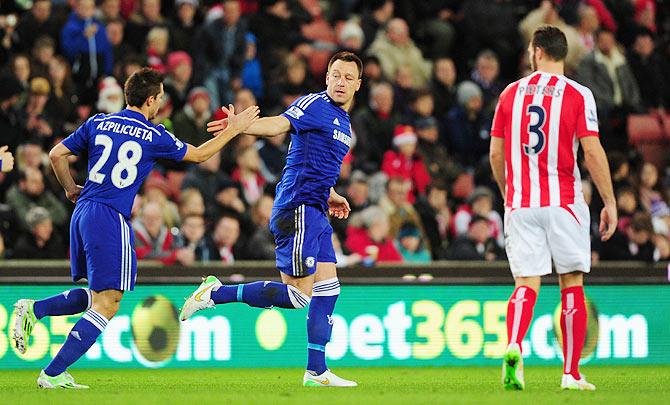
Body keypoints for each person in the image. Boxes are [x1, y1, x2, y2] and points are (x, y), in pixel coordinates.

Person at [11, 67, 259, 389]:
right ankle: (52, 374)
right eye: (160, 100)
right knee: (109, 302)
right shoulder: (154, 134)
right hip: (111, 215)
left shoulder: (98, 122)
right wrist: (235, 130)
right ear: (152, 100)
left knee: (99, 295)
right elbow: (199, 155)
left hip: (84, 211)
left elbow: (57, 154)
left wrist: (71, 188)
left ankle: (34, 309)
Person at [181, 51, 361, 387]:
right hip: (298, 208)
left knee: (329, 288)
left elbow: (317, 163)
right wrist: (242, 126)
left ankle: (316, 371)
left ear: (358, 85)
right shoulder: (314, 104)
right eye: (336, 74)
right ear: (326, 78)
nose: (341, 82)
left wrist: (332, 193)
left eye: (349, 77)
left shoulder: (344, 122)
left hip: (318, 208)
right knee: (298, 297)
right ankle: (214, 293)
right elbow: (279, 123)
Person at [489, 26, 616, 392]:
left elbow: (496, 152)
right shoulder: (578, 94)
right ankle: (571, 373)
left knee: (526, 283)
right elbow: (591, 151)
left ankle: (514, 344)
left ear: (538, 52)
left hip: (522, 203)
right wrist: (609, 201)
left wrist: (507, 192)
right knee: (571, 283)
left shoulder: (510, 94)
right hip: (563, 202)